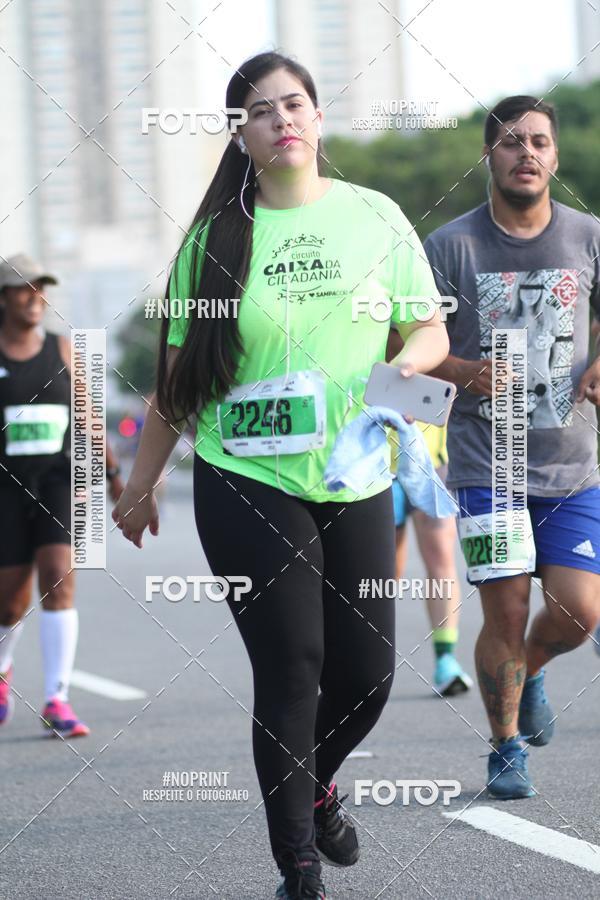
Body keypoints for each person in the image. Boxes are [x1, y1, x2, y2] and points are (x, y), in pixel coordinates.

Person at [112, 51, 449, 900]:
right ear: (242, 134)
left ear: (318, 119)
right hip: (243, 475)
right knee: (294, 665)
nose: (282, 119)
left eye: (294, 104)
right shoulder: (214, 241)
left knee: (367, 674)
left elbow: (431, 333)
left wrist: (405, 368)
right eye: (261, 111)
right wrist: (141, 484)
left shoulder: (375, 216)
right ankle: (298, 864)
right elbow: (176, 384)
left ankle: (317, 783)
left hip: (357, 467)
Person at [424, 95, 600, 799]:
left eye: (538, 142)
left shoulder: (587, 236)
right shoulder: (450, 247)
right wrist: (465, 371)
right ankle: (504, 751)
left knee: (579, 614)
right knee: (503, 608)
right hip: (485, 461)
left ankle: (530, 669)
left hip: (573, 463)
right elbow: (402, 348)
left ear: (554, 157)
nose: (526, 153)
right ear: (488, 157)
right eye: (510, 143)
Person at [0, 253, 124, 737]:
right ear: (4, 298)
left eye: (41, 287)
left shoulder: (65, 350)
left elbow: (90, 417)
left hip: (57, 482)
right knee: (9, 603)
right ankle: (4, 668)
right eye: (23, 287)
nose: (35, 296)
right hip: (6, 487)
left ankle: (57, 698)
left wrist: (114, 476)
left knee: (58, 577)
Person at [385, 330, 472, 695]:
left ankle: (445, 661)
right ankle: (372, 661)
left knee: (439, 553)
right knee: (385, 568)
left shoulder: (435, 306)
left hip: (431, 460)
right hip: (376, 463)